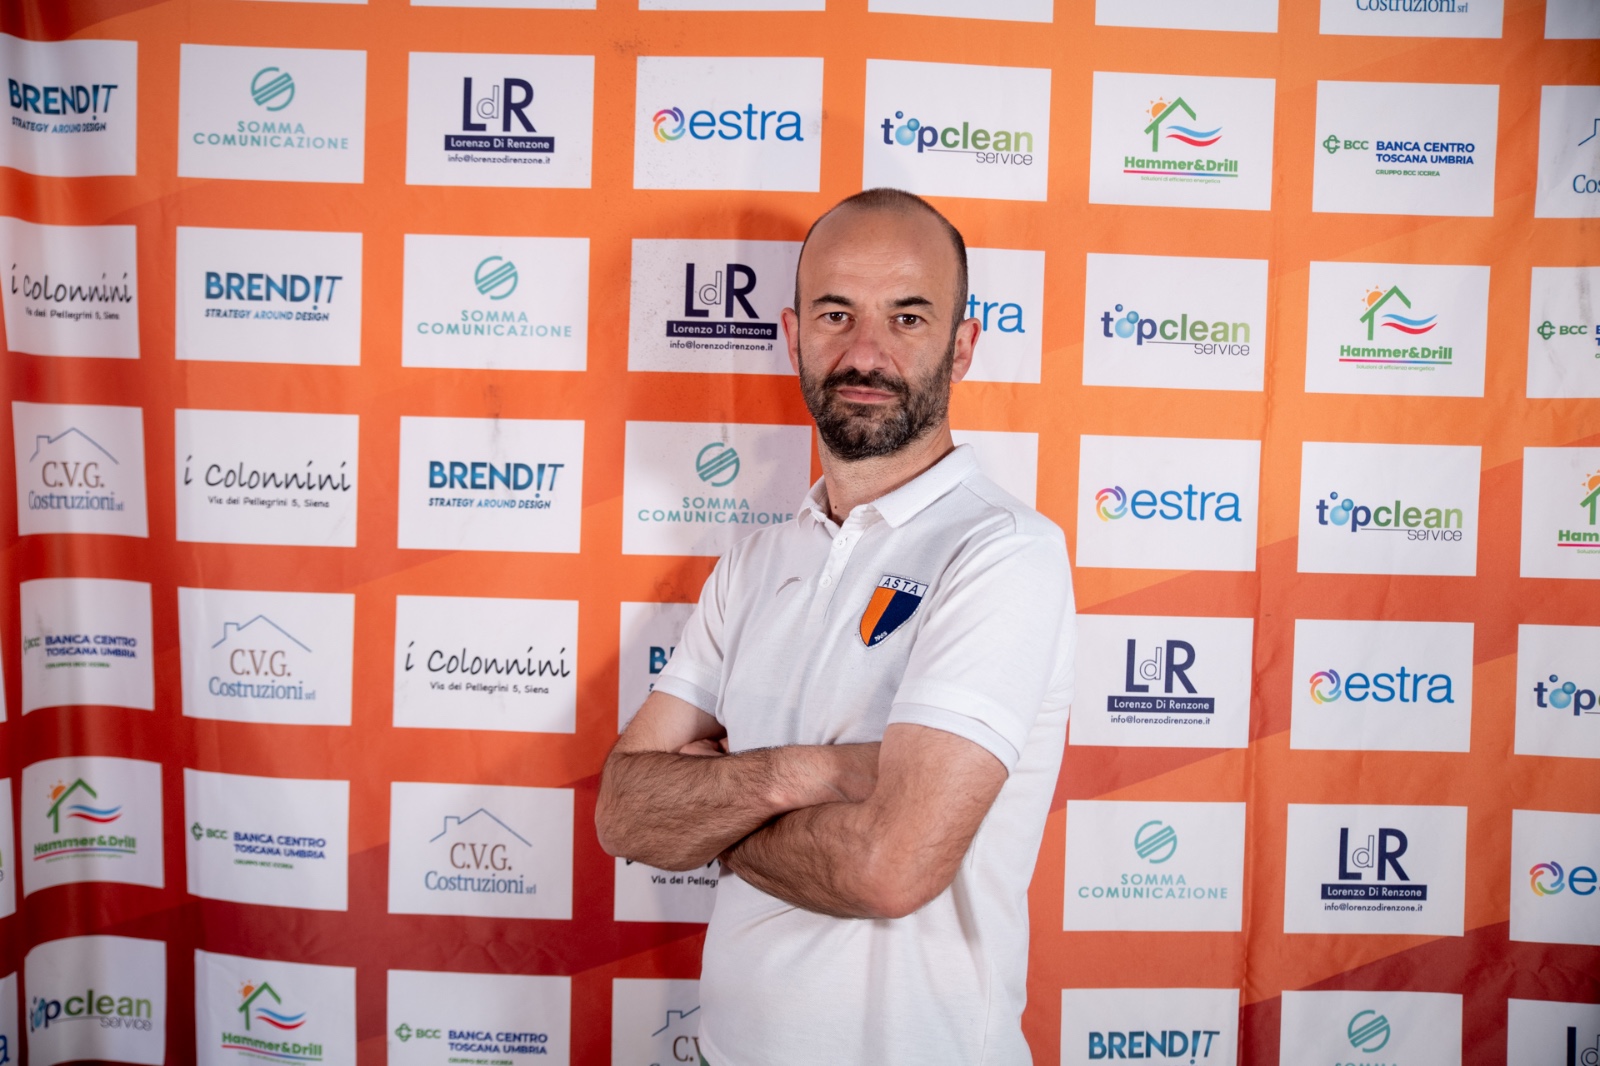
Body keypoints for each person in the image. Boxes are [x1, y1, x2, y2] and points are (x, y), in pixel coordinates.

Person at [596, 188, 1076, 1064]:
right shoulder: (753, 562)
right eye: (835, 314)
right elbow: (626, 815)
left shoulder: (1003, 552)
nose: (865, 353)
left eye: (907, 318)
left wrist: (710, 814)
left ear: (962, 346)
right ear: (792, 337)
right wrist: (812, 773)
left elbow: (890, 869)